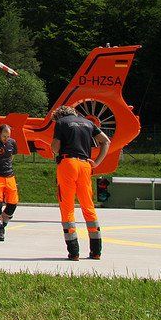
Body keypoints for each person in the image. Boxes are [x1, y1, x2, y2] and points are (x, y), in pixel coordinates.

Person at [51, 105, 111, 261]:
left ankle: (74, 252)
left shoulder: (61, 122)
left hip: (68, 164)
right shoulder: (88, 123)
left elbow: (56, 148)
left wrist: (54, 146)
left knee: (67, 206)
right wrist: (97, 162)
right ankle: (96, 251)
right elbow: (106, 141)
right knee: (88, 206)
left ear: (59, 116)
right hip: (85, 165)